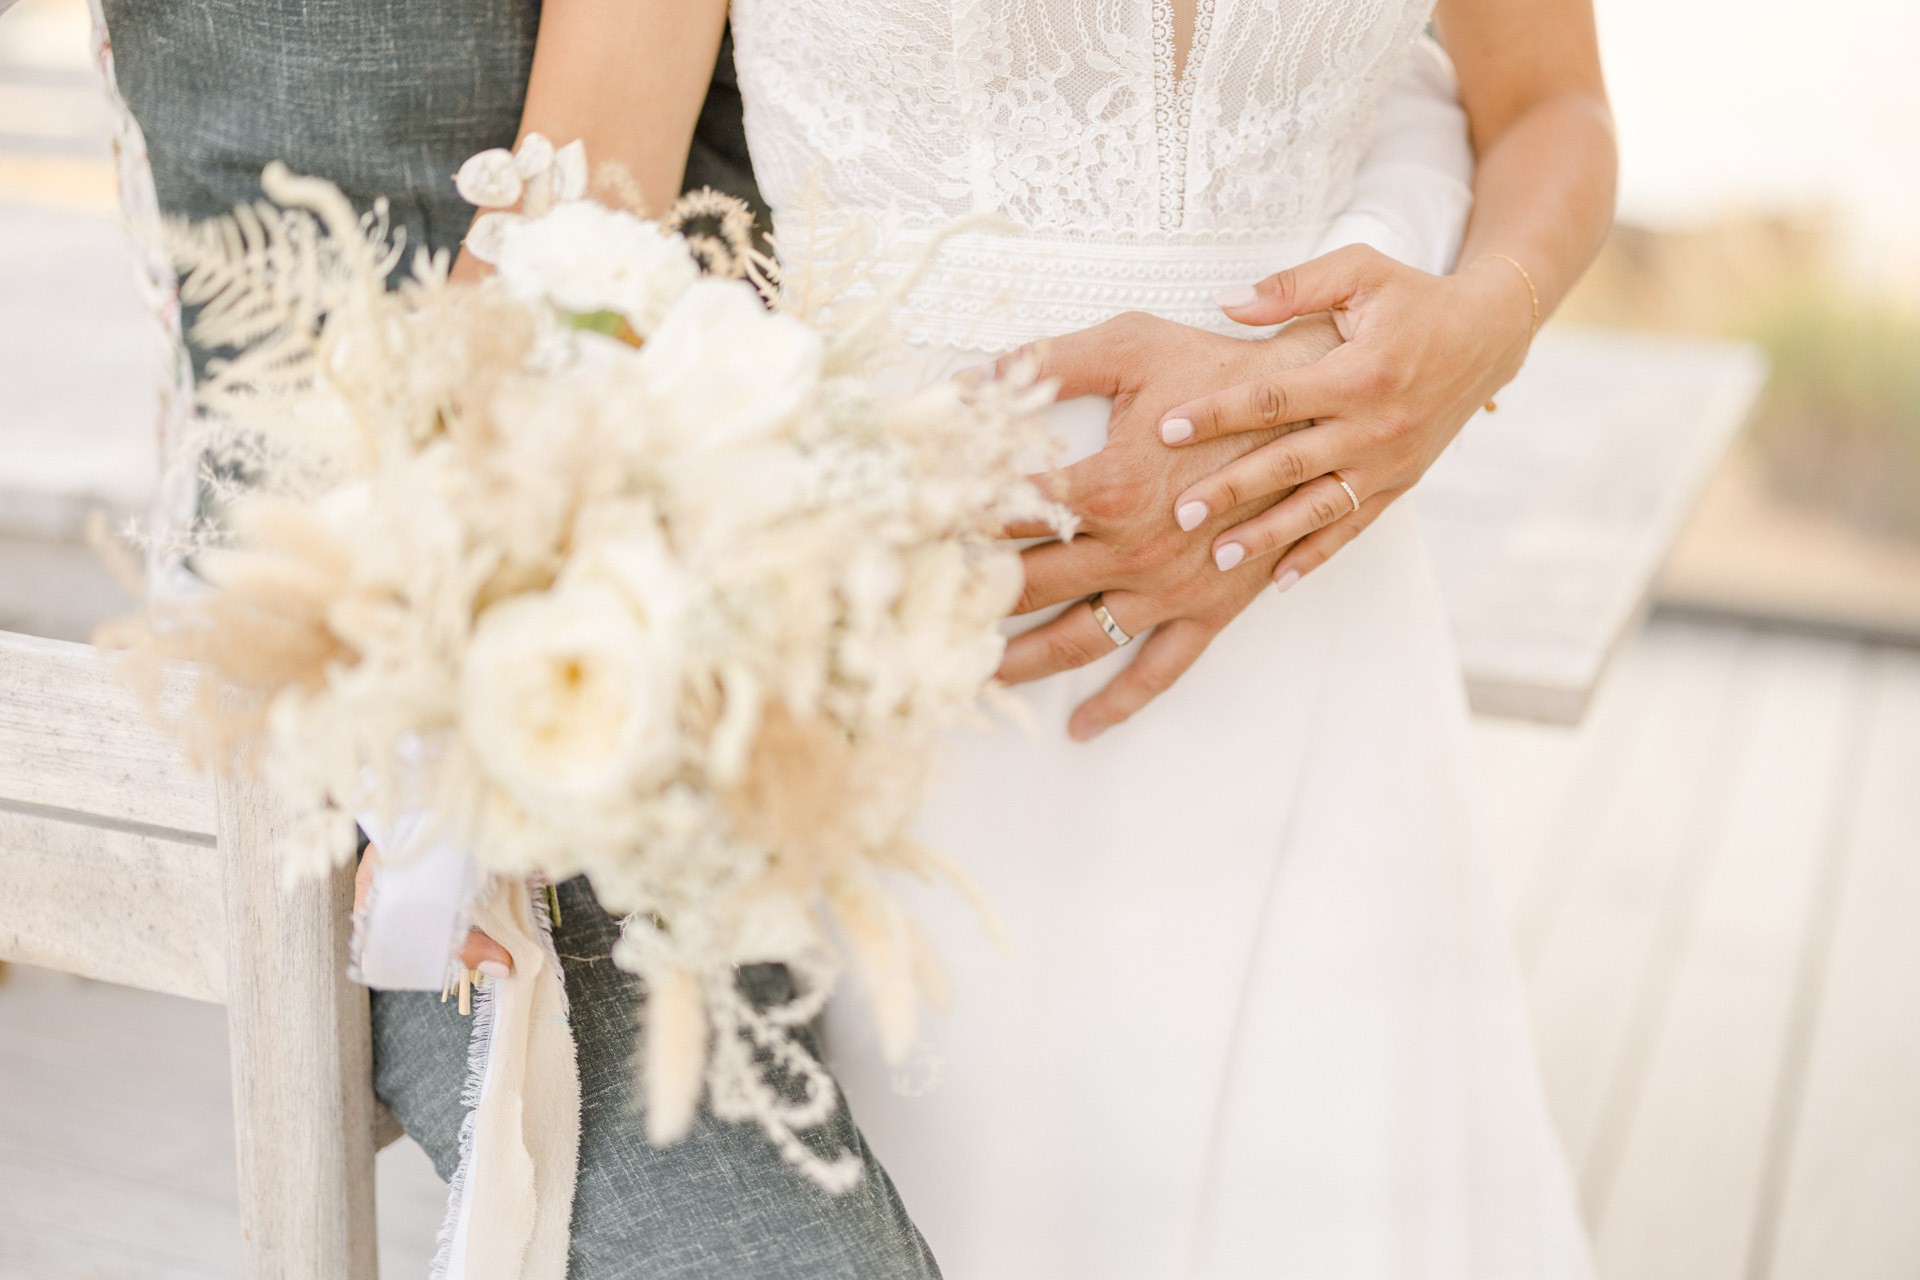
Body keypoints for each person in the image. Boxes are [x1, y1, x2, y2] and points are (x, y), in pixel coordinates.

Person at [500, 0, 1615, 1275]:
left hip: (1332, 677)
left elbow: (1547, 108)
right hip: (897, 707)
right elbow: (566, 238)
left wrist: (1482, 325)